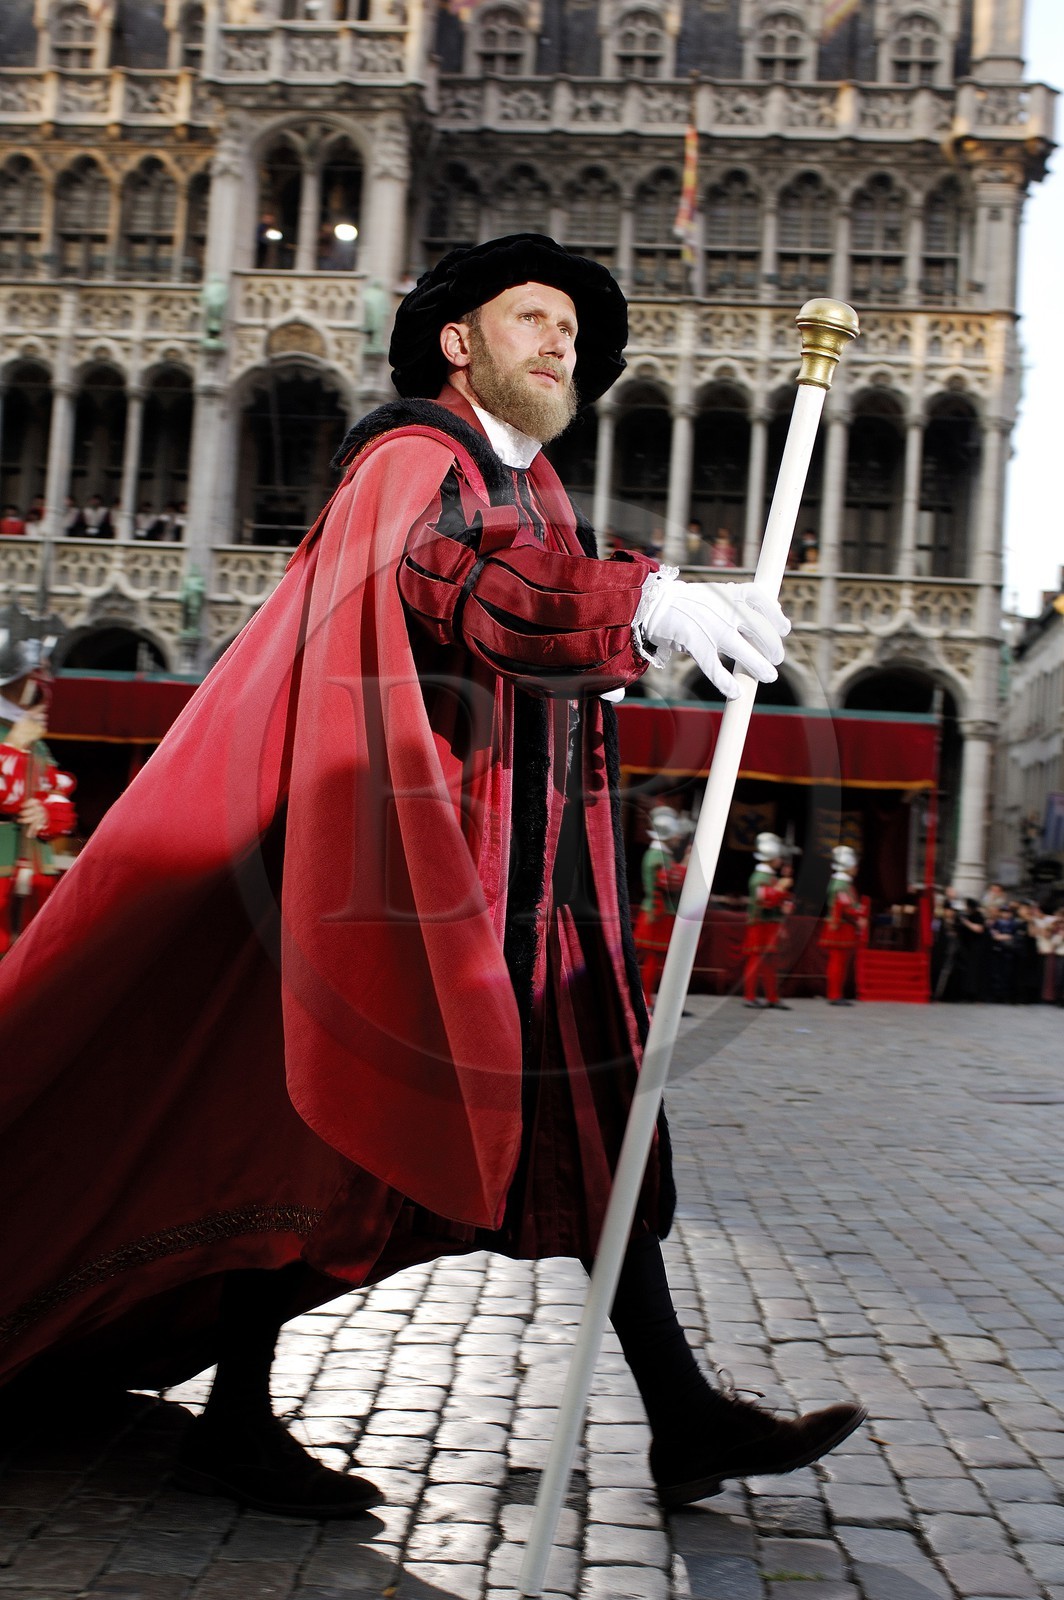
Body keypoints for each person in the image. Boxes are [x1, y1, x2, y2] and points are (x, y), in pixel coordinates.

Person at [0, 234, 864, 1518]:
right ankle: (236, 1420)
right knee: (315, 1135)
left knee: (601, 1132)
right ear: (459, 342)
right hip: (410, 875)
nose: (560, 342)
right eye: (532, 318)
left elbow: (529, 621)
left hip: (533, 886)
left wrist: (621, 635)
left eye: (572, 330)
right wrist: (643, 603)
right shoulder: (414, 457)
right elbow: (450, 571)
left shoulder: (538, 489)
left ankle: (678, 1413)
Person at [0, 639, 77, 957]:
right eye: (33, 676)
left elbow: (59, 796)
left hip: (32, 874)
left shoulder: (37, 744)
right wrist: (13, 747)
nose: (43, 686)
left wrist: (46, 813)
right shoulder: (17, 737)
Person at [633, 804, 691, 1004]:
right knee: (652, 959)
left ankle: (650, 999)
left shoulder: (662, 855)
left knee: (655, 960)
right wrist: (686, 862)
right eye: (675, 834)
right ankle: (646, 1000)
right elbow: (671, 882)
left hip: (660, 911)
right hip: (657, 912)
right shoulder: (658, 856)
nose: (678, 838)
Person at [743, 830, 794, 1008]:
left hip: (770, 924)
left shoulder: (771, 877)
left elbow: (778, 900)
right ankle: (749, 996)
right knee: (756, 960)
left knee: (770, 962)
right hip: (760, 925)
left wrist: (784, 900)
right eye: (778, 857)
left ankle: (772, 997)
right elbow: (765, 900)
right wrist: (781, 888)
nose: (780, 860)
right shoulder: (759, 878)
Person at [819, 845, 865, 1005]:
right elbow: (845, 907)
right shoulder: (840, 885)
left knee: (841, 962)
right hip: (840, 927)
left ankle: (837, 993)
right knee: (837, 962)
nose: (856, 868)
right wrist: (859, 914)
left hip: (844, 926)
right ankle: (834, 995)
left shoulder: (843, 884)